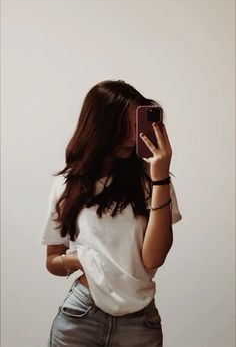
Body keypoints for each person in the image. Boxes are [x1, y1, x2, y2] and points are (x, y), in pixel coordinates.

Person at [39, 79, 182, 347]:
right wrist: (81, 258)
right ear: (100, 126)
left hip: (140, 325)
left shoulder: (151, 181)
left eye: (136, 126)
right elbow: (52, 261)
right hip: (81, 317)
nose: (132, 137)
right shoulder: (67, 185)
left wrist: (160, 178)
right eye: (124, 127)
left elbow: (153, 259)